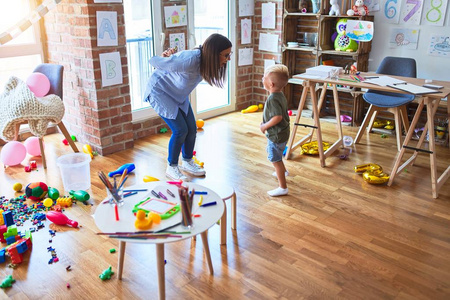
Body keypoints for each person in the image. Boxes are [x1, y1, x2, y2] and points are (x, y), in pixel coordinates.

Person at [144, 34, 232, 181]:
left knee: (191, 128)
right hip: (160, 92)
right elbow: (153, 61)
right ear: (214, 53)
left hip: (177, 94)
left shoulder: (206, 61)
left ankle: (187, 161)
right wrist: (166, 58)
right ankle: (171, 167)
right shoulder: (189, 59)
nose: (228, 59)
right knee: (180, 130)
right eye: (226, 55)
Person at [259, 64, 290, 197]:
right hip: (283, 132)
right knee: (277, 155)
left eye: (264, 77)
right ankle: (283, 172)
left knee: (275, 159)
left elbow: (277, 117)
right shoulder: (280, 94)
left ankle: (283, 187)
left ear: (270, 84)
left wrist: (265, 126)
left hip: (276, 135)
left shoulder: (272, 99)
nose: (262, 79)